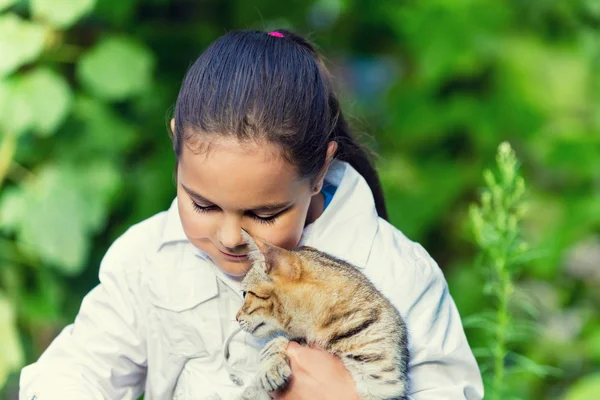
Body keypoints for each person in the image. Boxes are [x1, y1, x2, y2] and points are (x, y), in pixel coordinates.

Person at [19, 29, 484, 400]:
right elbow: (74, 370)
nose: (228, 237)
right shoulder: (149, 257)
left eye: (264, 214)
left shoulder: (400, 275)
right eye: (201, 204)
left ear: (320, 169)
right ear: (176, 141)